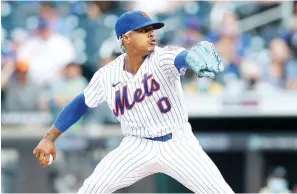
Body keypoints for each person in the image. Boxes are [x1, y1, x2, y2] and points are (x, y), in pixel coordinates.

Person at [33, 10, 233, 193]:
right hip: (137, 146)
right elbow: (81, 103)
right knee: (91, 189)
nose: (152, 34)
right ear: (126, 37)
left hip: (178, 143)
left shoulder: (162, 57)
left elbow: (181, 57)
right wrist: (50, 137)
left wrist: (191, 57)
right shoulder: (107, 75)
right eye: (144, 30)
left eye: (152, 29)